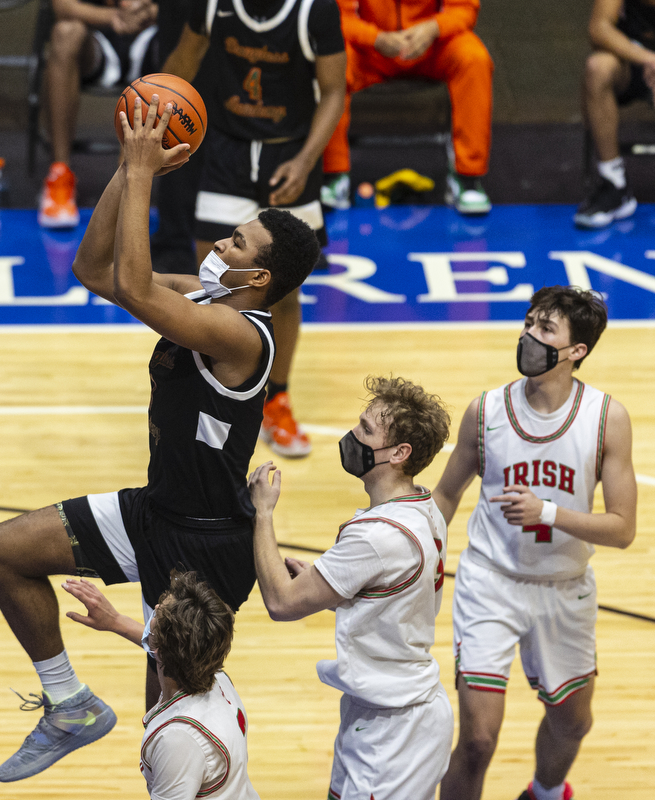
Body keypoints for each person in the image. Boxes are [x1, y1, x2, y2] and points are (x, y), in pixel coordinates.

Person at [0, 99, 318, 782]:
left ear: (259, 280)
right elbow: (96, 272)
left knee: (166, 729)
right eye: (229, 235)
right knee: (3, 552)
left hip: (205, 548)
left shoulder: (242, 337)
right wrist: (130, 171)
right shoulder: (204, 298)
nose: (220, 245)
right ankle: (68, 704)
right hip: (155, 510)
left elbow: (133, 284)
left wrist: (141, 174)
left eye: (237, 245)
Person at [435, 287, 636, 800]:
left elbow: (622, 528)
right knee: (478, 739)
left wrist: (548, 512)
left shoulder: (606, 418)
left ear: (577, 351)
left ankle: (545, 793)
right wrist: (414, 555)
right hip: (490, 581)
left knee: (572, 722)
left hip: (563, 588)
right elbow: (446, 493)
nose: (529, 335)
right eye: (529, 323)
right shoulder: (486, 412)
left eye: (546, 330)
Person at [248, 375, 453, 800]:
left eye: (365, 429)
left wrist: (263, 514)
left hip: (393, 731)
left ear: (400, 453)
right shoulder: (425, 508)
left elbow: (281, 604)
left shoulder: (376, 536)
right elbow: (393, 594)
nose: (352, 435)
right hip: (400, 712)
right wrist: (331, 584)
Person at [163, 0, 347, 459]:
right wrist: (155, 107)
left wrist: (306, 162)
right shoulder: (213, 5)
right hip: (227, 151)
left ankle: (277, 397)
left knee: (283, 292)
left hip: (289, 154)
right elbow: (180, 68)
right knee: (212, 278)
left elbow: (335, 92)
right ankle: (209, 383)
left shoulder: (314, 11)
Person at [62, 572, 260, 800]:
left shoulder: (178, 740)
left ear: (160, 648)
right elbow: (173, 649)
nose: (155, 606)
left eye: (158, 613)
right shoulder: (217, 678)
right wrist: (116, 621)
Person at [319, 0, 493, 216]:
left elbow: (465, 9)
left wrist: (433, 28)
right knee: (331, 60)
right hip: (370, 52)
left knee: (474, 59)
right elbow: (333, 17)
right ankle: (334, 174)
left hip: (432, 48)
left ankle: (467, 178)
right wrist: (376, 38)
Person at [38, 0, 159, 229]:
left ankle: (141, 185)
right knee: (65, 32)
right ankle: (60, 175)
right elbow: (62, 6)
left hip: (153, 34)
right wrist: (115, 16)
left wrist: (151, 12)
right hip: (98, 37)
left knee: (187, 37)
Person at [576, 0, 655, 228]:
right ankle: (614, 183)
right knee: (598, 68)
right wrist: (648, 58)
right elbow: (599, 28)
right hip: (633, 60)